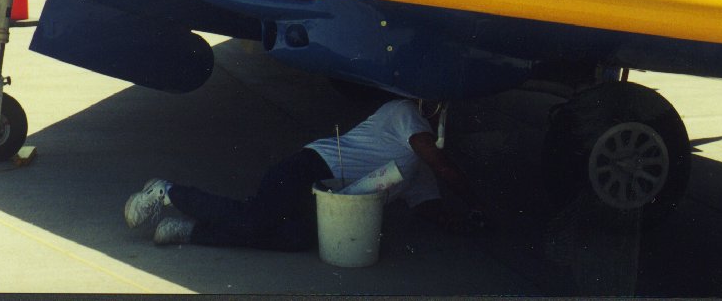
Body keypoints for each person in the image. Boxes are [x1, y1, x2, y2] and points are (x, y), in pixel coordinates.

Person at [123, 97, 486, 250]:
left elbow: (428, 206)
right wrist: (475, 202)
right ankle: (165, 192)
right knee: (256, 219)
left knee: (296, 239)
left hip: (330, 199)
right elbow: (442, 164)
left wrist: (465, 223)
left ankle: (191, 231)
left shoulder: (418, 171)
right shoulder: (404, 113)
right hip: (309, 168)